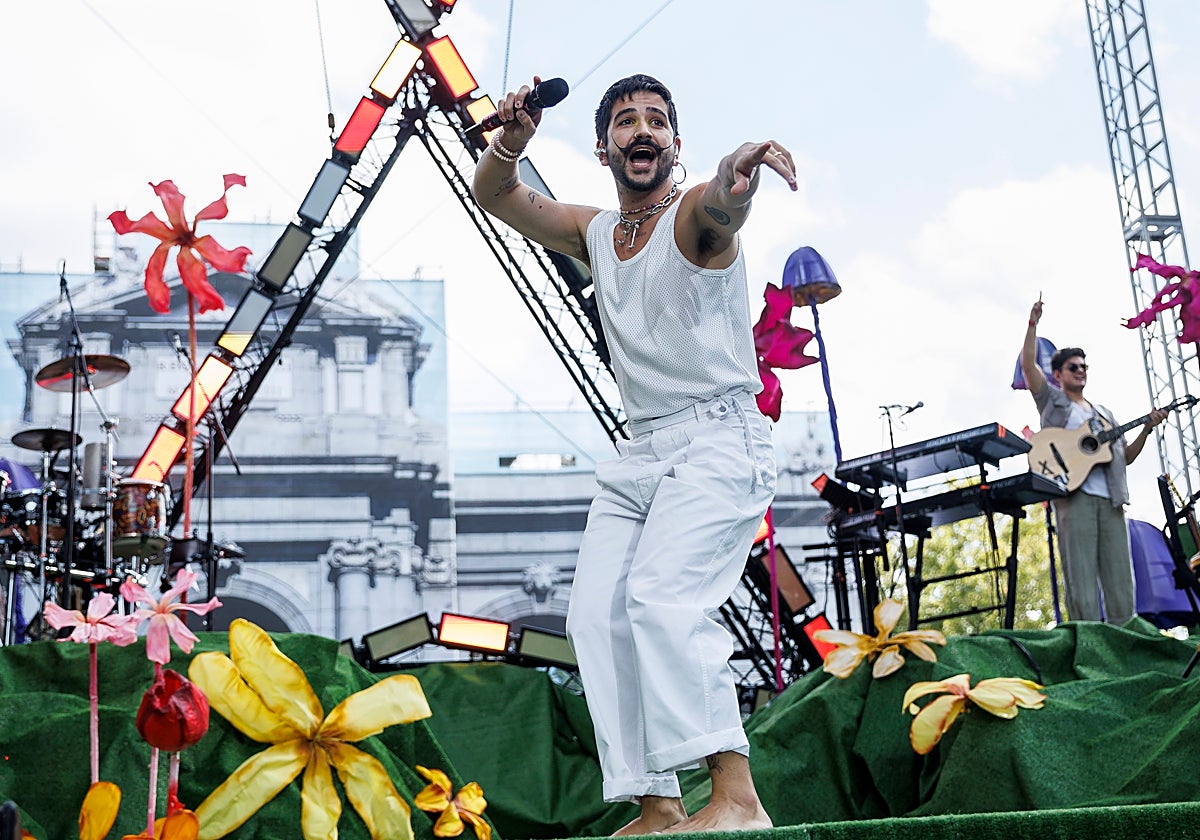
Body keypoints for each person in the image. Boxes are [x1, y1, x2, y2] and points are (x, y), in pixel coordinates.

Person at [471, 73, 796, 834]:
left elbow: (723, 206)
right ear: (602, 144)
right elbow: (496, 192)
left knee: (662, 599)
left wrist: (736, 179)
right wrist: (513, 138)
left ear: (675, 146)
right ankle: (658, 802)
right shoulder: (593, 231)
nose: (641, 130)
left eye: (656, 121)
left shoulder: (692, 218)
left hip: (718, 438)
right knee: (597, 618)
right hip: (641, 451)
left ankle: (738, 799)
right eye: (625, 121)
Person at [1021, 298, 1166, 623]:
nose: (1081, 371)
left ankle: (1126, 644)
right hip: (1075, 499)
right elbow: (1029, 367)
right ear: (1058, 373)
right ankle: (1088, 647)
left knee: (1120, 581)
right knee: (1081, 579)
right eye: (1073, 367)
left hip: (1112, 501)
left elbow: (1125, 457)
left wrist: (1146, 428)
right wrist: (1033, 324)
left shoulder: (1104, 415)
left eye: (1084, 366)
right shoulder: (1053, 401)